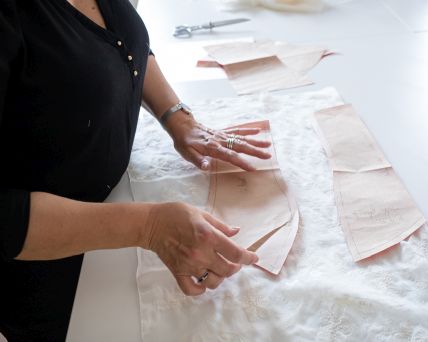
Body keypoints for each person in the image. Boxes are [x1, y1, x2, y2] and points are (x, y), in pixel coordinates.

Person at [0, 0, 271, 340]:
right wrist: (149, 227)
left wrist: (176, 116)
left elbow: (123, 43)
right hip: (47, 273)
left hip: (115, 209)